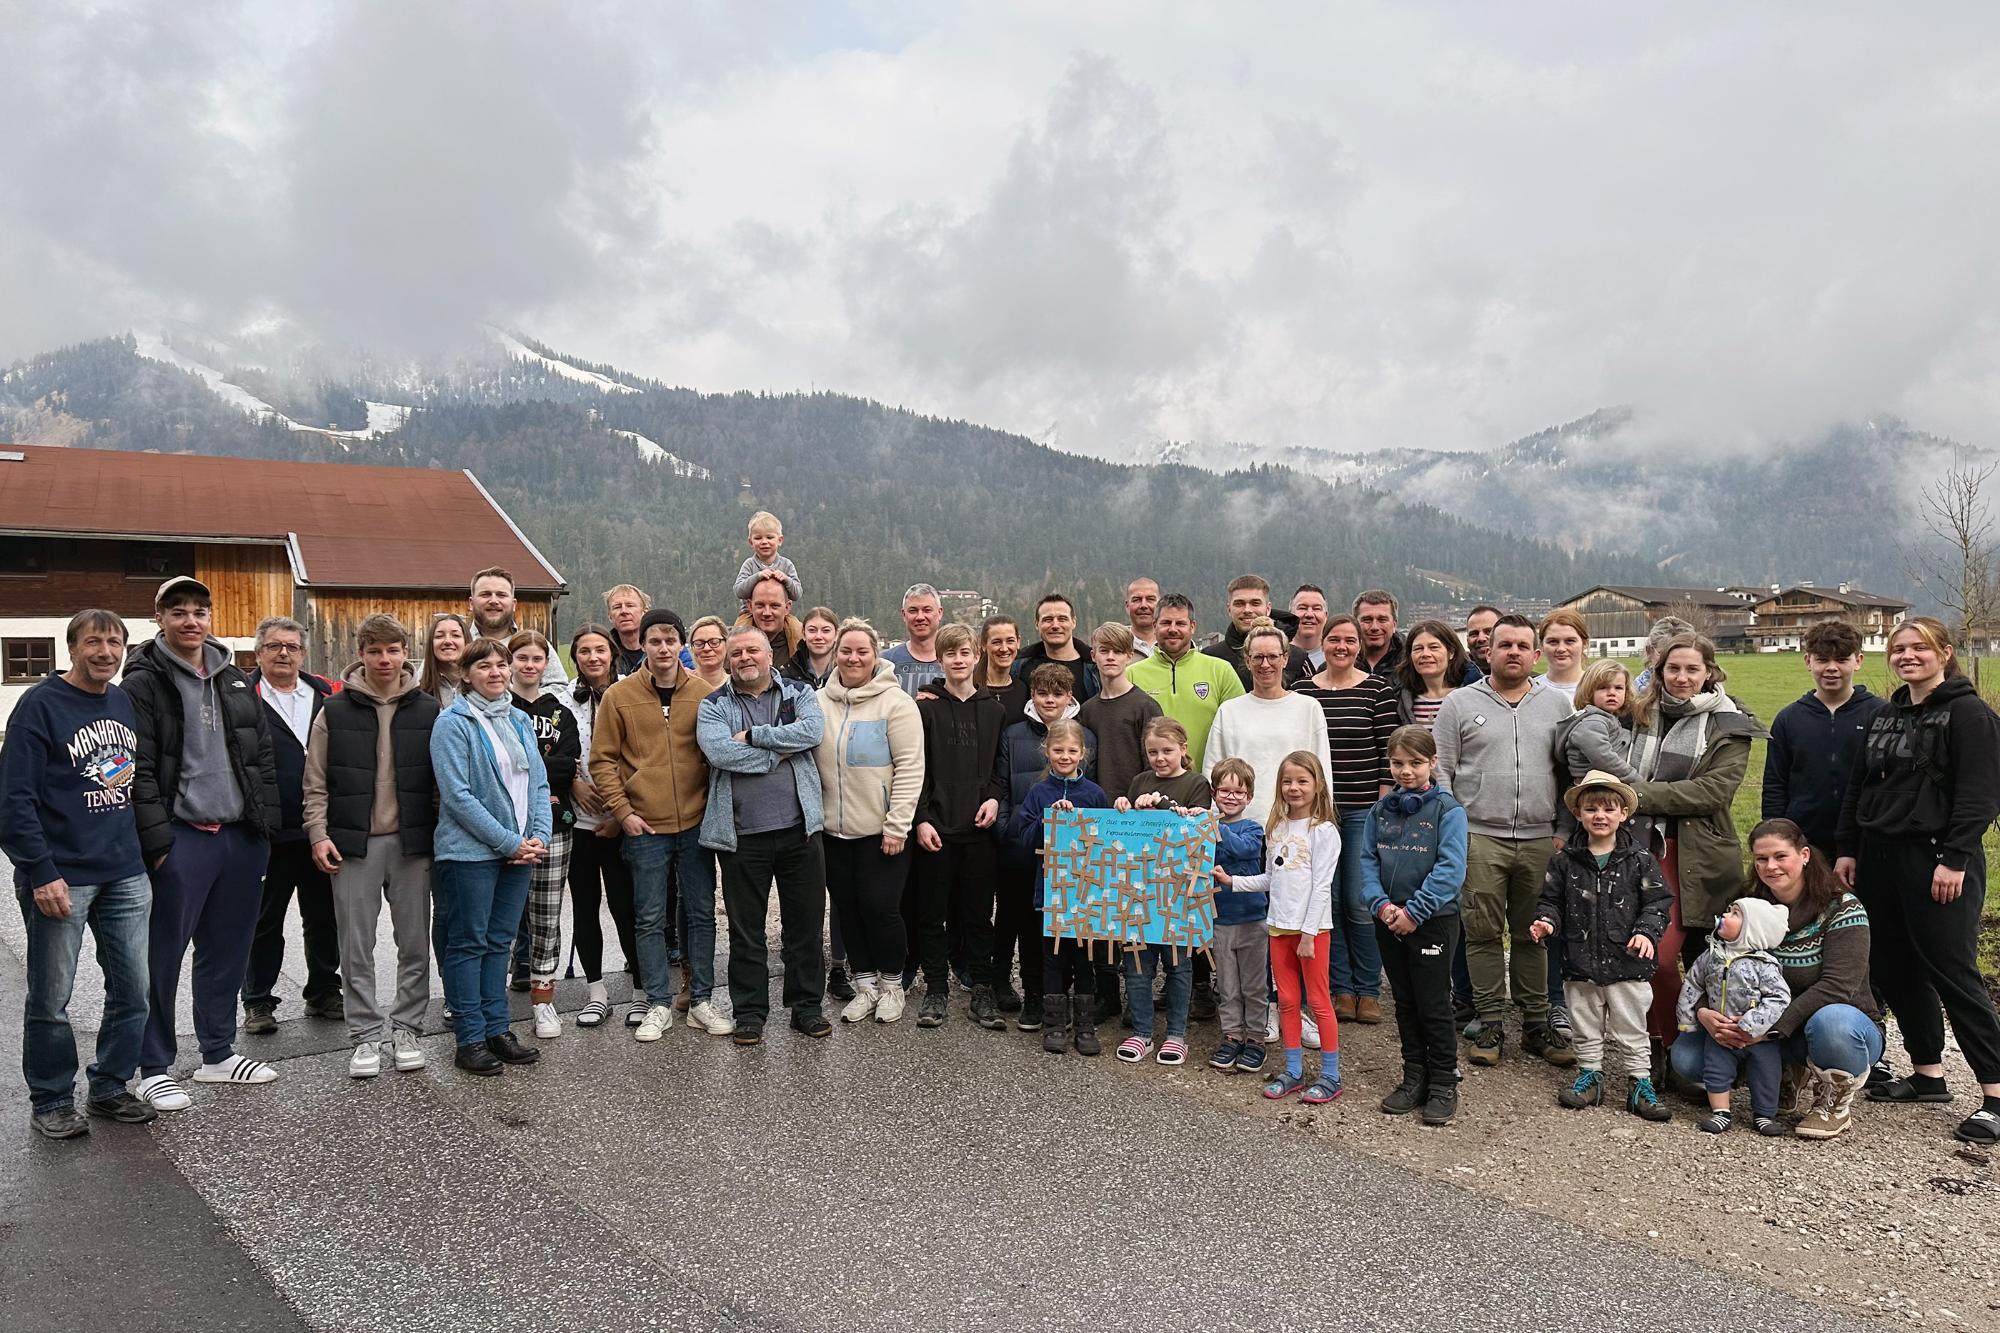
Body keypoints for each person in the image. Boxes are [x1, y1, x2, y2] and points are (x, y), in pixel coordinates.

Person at [1836, 616, 2000, 1144]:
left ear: (1944, 653)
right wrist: (1847, 849)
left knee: (1953, 973)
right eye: (1899, 648)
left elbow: (1980, 794)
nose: (1908, 655)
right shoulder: (1887, 715)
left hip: (1938, 861)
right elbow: (1858, 788)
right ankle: (1928, 1073)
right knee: (1895, 965)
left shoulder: (1970, 715)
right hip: (1880, 858)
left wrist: (1954, 858)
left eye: (1919, 648)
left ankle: (1996, 1094)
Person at [126, 575, 281, 1112]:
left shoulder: (236, 679)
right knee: (161, 954)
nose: (190, 620)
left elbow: (260, 759)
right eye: (178, 612)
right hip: (182, 838)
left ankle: (217, 1053)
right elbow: (138, 769)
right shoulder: (143, 682)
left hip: (238, 836)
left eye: (199, 611)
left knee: (227, 950)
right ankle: (152, 1066)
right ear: (159, 618)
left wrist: (264, 831)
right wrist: (158, 842)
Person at [2, 610, 157, 1138]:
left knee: (134, 989)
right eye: (94, 642)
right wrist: (40, 870)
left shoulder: (121, 701)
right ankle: (50, 1098)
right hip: (63, 875)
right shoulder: (39, 706)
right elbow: (13, 799)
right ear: (72, 648)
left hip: (124, 872)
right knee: (51, 997)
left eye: (114, 643)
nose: (105, 653)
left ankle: (111, 1086)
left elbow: (129, 782)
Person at [1432, 612, 1575, 1070]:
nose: (1512, 652)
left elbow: (1571, 773)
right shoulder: (1458, 703)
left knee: (1535, 934)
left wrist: (1562, 832)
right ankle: (1490, 1020)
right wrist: (1456, 832)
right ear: (1487, 651)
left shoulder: (1556, 705)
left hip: (1540, 839)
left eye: (1521, 646)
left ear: (1535, 655)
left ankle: (1536, 1023)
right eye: (1504, 644)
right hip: (1479, 836)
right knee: (1482, 933)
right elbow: (1442, 773)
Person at [302, 613, 441, 1079]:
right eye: (375, 650)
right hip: (352, 845)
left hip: (411, 845)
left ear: (406, 654)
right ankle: (364, 1035)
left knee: (414, 943)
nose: (385, 659)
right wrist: (318, 834)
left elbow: (442, 781)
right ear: (360, 654)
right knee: (355, 945)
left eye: (393, 650)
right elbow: (315, 781)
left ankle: (407, 1027)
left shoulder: (427, 709)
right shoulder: (334, 710)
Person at [590, 609, 731, 1039]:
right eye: (655, 641)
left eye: (671, 640)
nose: (663, 648)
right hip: (645, 828)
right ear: (644, 646)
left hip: (695, 824)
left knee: (702, 913)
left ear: (681, 645)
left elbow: (716, 755)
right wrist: (623, 812)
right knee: (649, 918)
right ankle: (656, 1003)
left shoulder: (705, 693)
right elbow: (602, 760)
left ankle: (702, 1000)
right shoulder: (620, 695)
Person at [1627, 633, 1762, 1054]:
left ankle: (1709, 1051)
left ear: (1709, 673)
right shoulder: (1635, 714)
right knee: (1654, 959)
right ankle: (1665, 1045)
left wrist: (1634, 794)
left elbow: (1712, 793)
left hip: (1699, 857)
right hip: (1639, 849)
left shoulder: (1728, 722)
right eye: (1673, 669)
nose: (1682, 678)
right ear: (1659, 672)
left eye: (1692, 669)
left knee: (1706, 965)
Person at [697, 625, 831, 1044]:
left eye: (752, 650)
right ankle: (751, 1012)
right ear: (727, 660)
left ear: (769, 655)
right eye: (736, 653)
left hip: (800, 831)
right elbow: (719, 752)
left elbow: (812, 733)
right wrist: (781, 755)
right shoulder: (713, 704)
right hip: (742, 836)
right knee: (746, 930)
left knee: (805, 926)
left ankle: (806, 1007)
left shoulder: (799, 693)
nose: (745, 658)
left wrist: (757, 737)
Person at [1721, 819, 1885, 1140]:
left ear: (1805, 855)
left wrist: (1766, 1029)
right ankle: (1788, 1071)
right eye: (1761, 859)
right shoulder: (1748, 906)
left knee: (1832, 1022)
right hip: (1774, 1025)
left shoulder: (1842, 908)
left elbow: (1838, 987)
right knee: (1689, 1059)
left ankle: (1834, 1102)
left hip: (1845, 1025)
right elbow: (1722, 964)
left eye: (1781, 856)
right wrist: (1713, 1015)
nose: (1771, 866)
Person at [430, 638, 549, 1076]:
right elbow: (458, 796)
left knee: (501, 942)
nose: (496, 672)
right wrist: (507, 841)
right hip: (470, 854)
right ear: (466, 674)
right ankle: (470, 1038)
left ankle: (498, 1030)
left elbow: (537, 785)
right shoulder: (453, 722)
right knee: (469, 942)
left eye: (502, 665)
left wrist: (536, 835)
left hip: (519, 850)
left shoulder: (518, 719)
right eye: (485, 666)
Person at [1529, 772, 1672, 1122]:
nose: (1600, 816)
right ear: (1579, 814)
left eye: (1609, 809)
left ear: (1623, 813)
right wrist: (1547, 921)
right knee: (1584, 1022)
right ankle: (1590, 1075)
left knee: (1631, 1026)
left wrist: (1645, 932)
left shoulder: (1640, 859)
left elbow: (1658, 903)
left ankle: (1639, 1082)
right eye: (1591, 808)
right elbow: (1551, 900)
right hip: (1579, 960)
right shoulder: (1565, 862)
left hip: (1627, 962)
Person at [1356, 727, 1468, 1127]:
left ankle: (1442, 1082)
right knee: (1404, 1001)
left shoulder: (1447, 811)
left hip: (1432, 921)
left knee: (1433, 1002)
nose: (1406, 771)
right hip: (1388, 920)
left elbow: (1450, 870)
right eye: (1398, 763)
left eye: (1415, 763)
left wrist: (1414, 911)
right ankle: (1414, 1076)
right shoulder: (1380, 810)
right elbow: (1367, 861)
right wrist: (1382, 906)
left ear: (1432, 763)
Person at [815, 619, 925, 1025]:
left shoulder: (896, 704)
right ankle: (864, 986)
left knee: (881, 909)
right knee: (848, 909)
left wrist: (898, 825)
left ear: (875, 655)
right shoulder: (818, 702)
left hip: (882, 832)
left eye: (862, 651)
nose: (853, 658)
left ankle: (893, 984)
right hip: (832, 832)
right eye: (846, 651)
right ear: (836, 654)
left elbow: (911, 768)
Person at [1216, 751, 1341, 1104]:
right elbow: (1271, 878)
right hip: (1277, 928)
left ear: (1317, 785)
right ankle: (1294, 1070)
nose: (1294, 787)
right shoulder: (1277, 828)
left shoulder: (1324, 831)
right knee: (1286, 1000)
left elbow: (1321, 886)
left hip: (1310, 932)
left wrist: (1308, 933)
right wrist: (1232, 882)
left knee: (1317, 1001)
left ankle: (1331, 1075)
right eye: (1288, 781)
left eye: (1302, 781)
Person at [1294, 613, 1399, 1023]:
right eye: (1333, 639)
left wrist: (1381, 807)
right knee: (1327, 903)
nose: (1341, 646)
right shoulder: (1304, 691)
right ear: (1322, 643)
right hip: (1318, 813)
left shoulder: (1378, 690)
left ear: (1359, 646)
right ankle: (1340, 988)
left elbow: (1388, 752)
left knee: (1359, 901)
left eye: (1349, 640)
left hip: (1361, 811)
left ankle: (1368, 989)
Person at [241, 615, 341, 1034]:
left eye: (292, 647)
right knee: (265, 920)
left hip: (319, 828)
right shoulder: (243, 698)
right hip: (268, 830)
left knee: (324, 916)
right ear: (259, 652)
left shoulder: (324, 696)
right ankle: (258, 1000)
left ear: (303, 653)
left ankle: (323, 990)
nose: (284, 654)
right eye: (275, 646)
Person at [910, 623, 1007, 1029]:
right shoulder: (926, 709)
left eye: (965, 653)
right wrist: (921, 819)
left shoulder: (994, 710)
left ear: (976, 656)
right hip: (936, 828)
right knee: (932, 914)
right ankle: (935, 990)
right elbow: (915, 770)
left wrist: (994, 798)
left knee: (978, 915)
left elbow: (1001, 768)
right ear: (941, 659)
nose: (959, 660)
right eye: (950, 654)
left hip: (978, 830)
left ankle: (981, 990)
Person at [993, 663, 1098, 1029]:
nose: (1049, 700)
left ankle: (1073, 1000)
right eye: (1042, 693)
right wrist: (1009, 830)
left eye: (1057, 693)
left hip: (1074, 858)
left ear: (1069, 697)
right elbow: (1002, 785)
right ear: (1032, 696)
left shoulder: (1085, 736)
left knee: (1071, 931)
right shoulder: (1013, 734)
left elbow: (1093, 795)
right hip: (1027, 842)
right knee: (1030, 926)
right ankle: (1036, 998)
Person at [1007, 719, 1109, 1056]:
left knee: (1084, 960)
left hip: (1086, 895)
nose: (1065, 756)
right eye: (1058, 750)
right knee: (1053, 959)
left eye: (1072, 751)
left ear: (1083, 754)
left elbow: (1107, 844)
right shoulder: (1038, 793)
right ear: (1046, 752)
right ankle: (1054, 1024)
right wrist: (1048, 819)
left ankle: (1084, 1025)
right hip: (1050, 893)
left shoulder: (1094, 794)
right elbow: (1023, 843)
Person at [1762, 620, 1887, 860]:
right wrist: (1776, 837)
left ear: (1858, 661)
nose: (1832, 668)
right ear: (1808, 661)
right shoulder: (1789, 719)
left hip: (1868, 840)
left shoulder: (1881, 714)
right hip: (1805, 842)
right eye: (1822, 660)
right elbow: (1775, 785)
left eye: (1841, 660)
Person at [509, 629, 580, 1040]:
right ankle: (488, 1004)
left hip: (555, 826)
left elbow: (566, 765)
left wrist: (529, 771)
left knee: (545, 917)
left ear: (546, 663)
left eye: (537, 658)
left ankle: (543, 999)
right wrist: (537, 773)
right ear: (511, 662)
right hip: (503, 829)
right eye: (522, 658)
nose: (530, 665)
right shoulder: (496, 708)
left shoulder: (560, 713)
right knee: (500, 920)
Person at [562, 625, 633, 1028]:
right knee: (586, 906)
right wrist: (573, 781)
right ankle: (595, 992)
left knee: (628, 907)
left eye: (600, 650)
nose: (593, 657)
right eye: (584, 651)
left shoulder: (630, 692)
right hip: (580, 820)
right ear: (575, 656)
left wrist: (620, 811)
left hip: (622, 817)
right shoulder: (560, 700)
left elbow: (642, 754)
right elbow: (550, 751)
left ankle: (640, 990)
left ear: (612, 654)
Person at [1676, 897, 1793, 1135]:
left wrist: (1752, 1024)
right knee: (1715, 1070)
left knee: (1767, 1072)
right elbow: (1692, 983)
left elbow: (1779, 997)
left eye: (1735, 914)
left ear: (1752, 930)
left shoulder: (1764, 964)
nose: (1725, 915)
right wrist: (1688, 1019)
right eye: (1728, 910)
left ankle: (1764, 1114)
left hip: (1758, 1036)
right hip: (1720, 1031)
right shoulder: (1711, 956)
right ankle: (1720, 1112)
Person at [1204, 622, 1331, 826]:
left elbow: (1322, 770)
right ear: (1247, 660)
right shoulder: (1229, 711)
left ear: (1285, 659)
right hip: (1240, 827)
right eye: (1258, 657)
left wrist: (1322, 820)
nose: (1265, 664)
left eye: (1272, 656)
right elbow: (1213, 771)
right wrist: (1214, 824)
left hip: (1295, 824)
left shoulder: (1308, 708)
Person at [1128, 593, 1245, 774]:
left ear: (1192, 627)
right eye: (1166, 623)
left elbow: (1239, 730)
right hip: (1151, 789)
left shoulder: (1220, 671)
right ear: (1154, 625)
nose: (1173, 629)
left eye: (1180, 623)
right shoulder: (1132, 674)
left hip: (1207, 785)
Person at [1205, 758, 1268, 1076]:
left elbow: (1245, 851)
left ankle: (1256, 1039)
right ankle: (1231, 1035)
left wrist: (1215, 829)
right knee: (1227, 985)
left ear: (1249, 796)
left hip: (1253, 918)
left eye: (1238, 792)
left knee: (1255, 986)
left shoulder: (1254, 828)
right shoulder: (1206, 828)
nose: (1231, 797)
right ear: (1215, 793)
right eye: (1224, 791)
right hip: (1220, 919)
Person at [1078, 622, 1162, 806]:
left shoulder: (1146, 706)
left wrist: (1142, 798)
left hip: (1138, 808)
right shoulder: (1086, 711)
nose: (1110, 657)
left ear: (1129, 656)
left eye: (1118, 652)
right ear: (1093, 655)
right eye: (1104, 651)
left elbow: (1155, 763)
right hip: (1096, 808)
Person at [1203, 575, 1309, 687]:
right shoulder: (1210, 657)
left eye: (1255, 603)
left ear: (1268, 609)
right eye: (1239, 604)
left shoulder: (1298, 658)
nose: (1247, 610)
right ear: (1229, 610)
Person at [469, 566, 566, 686]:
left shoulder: (535, 644)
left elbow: (559, 686)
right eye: (485, 594)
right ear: (471, 603)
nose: (493, 600)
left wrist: (523, 700)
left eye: (501, 595)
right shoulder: (459, 645)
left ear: (514, 604)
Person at [1014, 592, 1100, 702]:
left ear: (1073, 622)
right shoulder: (1019, 665)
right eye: (1048, 619)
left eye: (1062, 619)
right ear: (1037, 624)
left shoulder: (1094, 665)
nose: (1055, 625)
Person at [1393, 619, 1479, 729]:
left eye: (1434, 647)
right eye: (1418, 649)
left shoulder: (1472, 696)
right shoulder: (1400, 701)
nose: (1425, 654)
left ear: (1451, 653)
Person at [1123, 718, 1213, 811]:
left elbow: (1199, 822)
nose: (1160, 758)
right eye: (1153, 752)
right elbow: (1129, 821)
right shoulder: (1139, 781)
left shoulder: (1197, 784)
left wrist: (1159, 802)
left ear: (1183, 749)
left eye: (1167, 751)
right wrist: (1124, 807)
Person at [734, 509, 804, 612]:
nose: (764, 542)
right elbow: (739, 591)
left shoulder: (786, 565)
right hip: (749, 613)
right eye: (758, 538)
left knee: (796, 627)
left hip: (780, 615)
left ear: (780, 540)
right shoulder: (749, 564)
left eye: (770, 537)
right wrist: (757, 577)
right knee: (740, 628)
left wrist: (786, 579)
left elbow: (797, 594)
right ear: (750, 542)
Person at [883, 583, 945, 697]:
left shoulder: (958, 662)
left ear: (940, 613)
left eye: (927, 610)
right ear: (903, 615)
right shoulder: (885, 662)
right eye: (913, 611)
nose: (920, 617)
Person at [743, 571, 805, 662]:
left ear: (787, 607)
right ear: (750, 606)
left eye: (774, 606)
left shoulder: (805, 647)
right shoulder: (731, 650)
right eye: (760, 605)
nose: (767, 613)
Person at [975, 613, 1027, 719]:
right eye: (996, 642)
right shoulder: (969, 686)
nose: (1004, 648)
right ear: (984, 645)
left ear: (1018, 642)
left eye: (1010, 641)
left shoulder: (1022, 690)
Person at [1534, 609, 1590, 703]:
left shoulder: (1601, 689)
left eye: (1570, 641)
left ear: (1585, 643)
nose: (1561, 649)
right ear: (1542, 645)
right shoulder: (1530, 690)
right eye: (1553, 642)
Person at [1629, 614, 1695, 695]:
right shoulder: (1628, 697)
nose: (1673, 660)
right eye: (1665, 653)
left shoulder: (1710, 696)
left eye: (1684, 654)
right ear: (1650, 652)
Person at [420, 611, 472, 706]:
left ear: (467, 642)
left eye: (456, 635)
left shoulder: (482, 688)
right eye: (439, 636)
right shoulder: (417, 693)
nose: (447, 641)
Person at [783, 605, 839, 688]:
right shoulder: (788, 676)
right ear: (803, 634)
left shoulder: (845, 675)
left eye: (826, 631)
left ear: (836, 635)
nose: (818, 636)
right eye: (812, 630)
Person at [603, 584, 651, 678]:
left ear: (644, 611)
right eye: (617, 607)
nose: (623, 611)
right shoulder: (603, 652)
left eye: (630, 605)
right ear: (610, 616)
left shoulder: (665, 646)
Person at [1354, 590, 1404, 679]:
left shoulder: (1411, 663)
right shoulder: (1336, 664)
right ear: (1354, 624)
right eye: (1367, 620)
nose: (1374, 627)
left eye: (1382, 620)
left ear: (1394, 625)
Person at [1290, 585, 1330, 677]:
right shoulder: (1276, 655)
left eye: (1316, 608)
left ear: (1326, 616)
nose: (1309, 614)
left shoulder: (1336, 657)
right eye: (1302, 608)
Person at [687, 615, 730, 692]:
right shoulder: (683, 685)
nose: (706, 648)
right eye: (699, 643)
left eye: (714, 642)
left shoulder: (738, 686)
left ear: (727, 644)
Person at [1125, 576, 1161, 656]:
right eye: (1137, 599)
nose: (1143, 605)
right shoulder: (1115, 644)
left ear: (1160, 605)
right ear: (1127, 606)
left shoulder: (1173, 644)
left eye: (1150, 599)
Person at [1462, 605, 1501, 674]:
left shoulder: (1523, 676)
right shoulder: (1452, 679)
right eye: (1474, 633)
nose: (1481, 639)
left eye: (1489, 632)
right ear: (1467, 641)